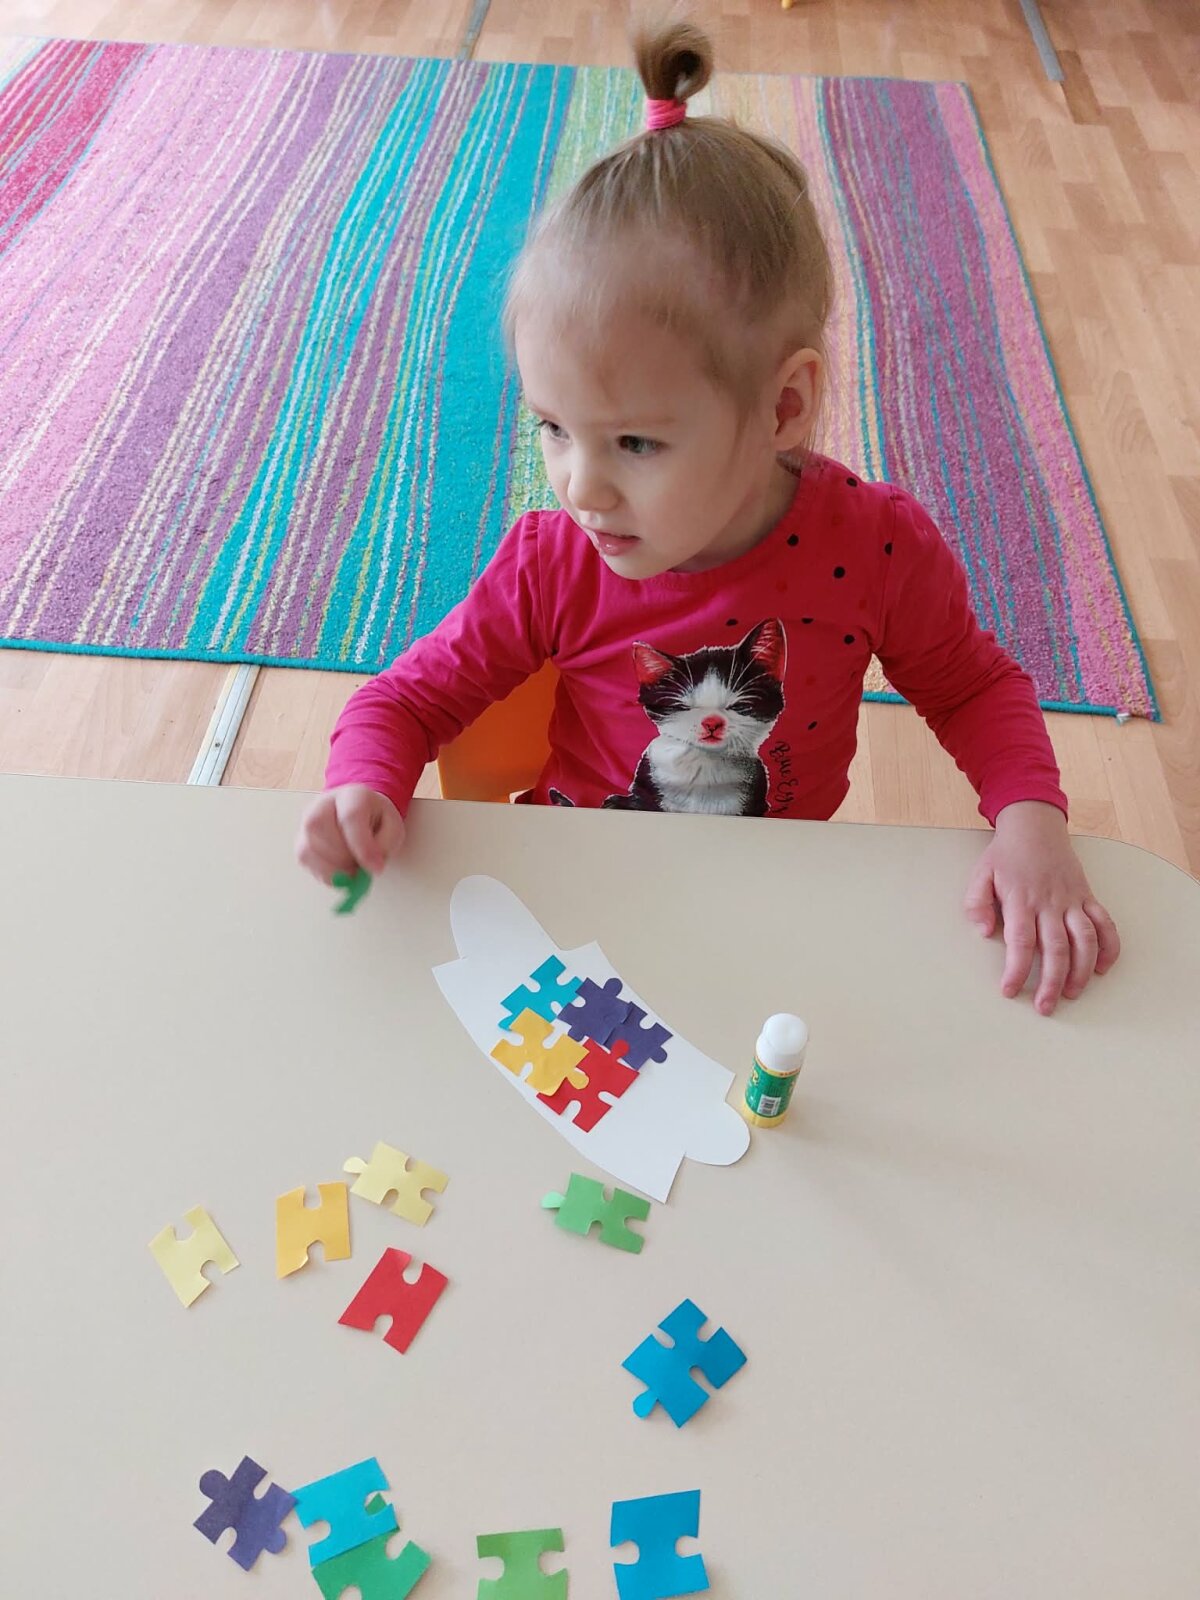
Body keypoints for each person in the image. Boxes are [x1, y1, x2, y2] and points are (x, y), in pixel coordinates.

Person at [297, 14, 1120, 1017]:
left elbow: (971, 685)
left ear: (782, 408)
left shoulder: (874, 546)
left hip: (770, 908)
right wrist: (365, 785)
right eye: (553, 427)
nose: (580, 487)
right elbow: (403, 703)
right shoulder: (554, 559)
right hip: (577, 895)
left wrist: (1030, 819)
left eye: (635, 443)